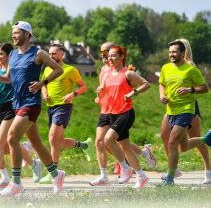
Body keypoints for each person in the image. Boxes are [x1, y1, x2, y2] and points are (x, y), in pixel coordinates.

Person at [0, 21, 64, 197]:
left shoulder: (38, 54)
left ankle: (16, 182)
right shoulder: (12, 55)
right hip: (17, 104)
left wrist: (43, 83)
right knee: (36, 143)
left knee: (11, 138)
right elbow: (10, 79)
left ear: (27, 34)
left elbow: (59, 69)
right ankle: (56, 175)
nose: (13, 36)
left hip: (31, 103)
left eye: (17, 33)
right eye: (12, 33)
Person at [0, 43, 42, 189]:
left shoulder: (13, 70)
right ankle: (33, 163)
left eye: (0, 54)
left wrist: (0, 80)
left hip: (11, 109)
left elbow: (10, 80)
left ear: (9, 56)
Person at [90, 42, 156, 186]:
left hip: (125, 112)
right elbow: (107, 91)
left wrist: (133, 93)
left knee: (108, 140)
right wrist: (100, 94)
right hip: (110, 111)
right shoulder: (107, 73)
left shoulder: (127, 73)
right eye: (108, 55)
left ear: (121, 56)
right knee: (124, 147)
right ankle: (141, 175)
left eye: (112, 55)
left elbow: (145, 84)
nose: (108, 57)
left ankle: (125, 168)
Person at [38, 43, 92, 184]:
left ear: (62, 54)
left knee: (52, 138)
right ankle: (85, 146)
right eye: (49, 54)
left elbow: (83, 86)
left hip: (63, 107)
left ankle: (53, 173)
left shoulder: (70, 70)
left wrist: (73, 94)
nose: (51, 56)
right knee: (59, 142)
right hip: (51, 107)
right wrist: (45, 94)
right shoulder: (48, 69)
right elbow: (44, 85)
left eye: (54, 53)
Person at [159, 40, 210, 186]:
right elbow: (162, 83)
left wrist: (190, 90)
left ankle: (170, 179)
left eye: (174, 52)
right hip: (171, 110)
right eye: (169, 52)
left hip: (186, 110)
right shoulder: (166, 68)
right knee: (184, 146)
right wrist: (162, 95)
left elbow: (205, 88)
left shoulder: (191, 69)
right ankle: (206, 139)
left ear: (183, 53)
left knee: (172, 141)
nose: (171, 55)